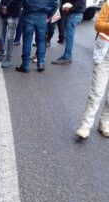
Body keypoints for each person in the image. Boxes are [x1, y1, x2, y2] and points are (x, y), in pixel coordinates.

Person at [76, 2, 109, 138]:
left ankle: (105, 123)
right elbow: (98, 25)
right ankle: (86, 125)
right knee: (96, 92)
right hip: (105, 55)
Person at [16, 0, 58, 73]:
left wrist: (25, 10)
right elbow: (55, 3)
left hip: (29, 14)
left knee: (27, 41)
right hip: (43, 15)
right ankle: (41, 63)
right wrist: (50, 15)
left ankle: (25, 65)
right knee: (41, 41)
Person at [52, 0, 85, 65]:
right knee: (68, 36)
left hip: (74, 15)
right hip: (74, 14)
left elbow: (78, 5)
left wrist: (68, 8)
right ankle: (66, 55)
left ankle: (67, 57)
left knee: (69, 37)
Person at [0, 0, 23, 68]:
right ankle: (2, 52)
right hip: (2, 14)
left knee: (10, 38)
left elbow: (19, 2)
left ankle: (9, 60)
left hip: (13, 15)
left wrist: (7, 8)